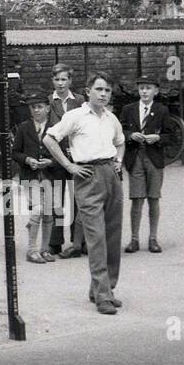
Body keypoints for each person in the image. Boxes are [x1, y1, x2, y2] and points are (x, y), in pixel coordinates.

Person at [43, 73, 126, 315]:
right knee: (96, 237)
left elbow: (120, 141)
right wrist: (69, 166)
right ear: (88, 91)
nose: (103, 94)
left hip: (111, 174)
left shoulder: (111, 118)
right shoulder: (75, 116)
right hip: (87, 176)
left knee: (112, 235)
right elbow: (50, 138)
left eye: (108, 90)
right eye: (99, 89)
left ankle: (105, 289)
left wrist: (119, 161)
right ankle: (102, 296)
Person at [120, 76, 180, 254]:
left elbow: (172, 136)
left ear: (156, 91)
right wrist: (130, 135)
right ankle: (134, 239)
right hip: (136, 157)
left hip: (154, 158)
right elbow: (119, 131)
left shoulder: (162, 110)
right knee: (137, 198)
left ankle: (153, 238)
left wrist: (159, 138)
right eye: (141, 88)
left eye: (148, 88)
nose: (144, 91)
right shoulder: (128, 109)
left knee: (154, 198)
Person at [14, 93, 60, 263]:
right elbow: (15, 152)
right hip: (31, 175)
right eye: (33, 107)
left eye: (40, 106)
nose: (37, 110)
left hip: (49, 175)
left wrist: (51, 162)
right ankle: (32, 249)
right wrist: (27, 160)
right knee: (38, 209)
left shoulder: (56, 127)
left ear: (48, 108)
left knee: (48, 213)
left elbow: (63, 154)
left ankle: (45, 249)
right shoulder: (24, 128)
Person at [49, 65, 85, 256]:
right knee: (57, 200)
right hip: (56, 158)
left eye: (64, 79)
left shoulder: (79, 101)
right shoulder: (49, 102)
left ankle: (78, 241)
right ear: (52, 81)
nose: (60, 83)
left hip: (77, 157)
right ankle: (55, 241)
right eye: (57, 80)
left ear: (70, 81)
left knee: (77, 198)